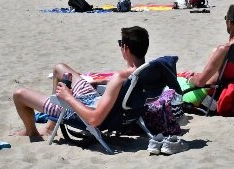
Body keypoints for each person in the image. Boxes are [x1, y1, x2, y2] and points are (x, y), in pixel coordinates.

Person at [11, 26, 150, 138]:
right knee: (59, 68)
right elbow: (126, 86)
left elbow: (95, 120)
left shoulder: (120, 77)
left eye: (121, 44)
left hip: (79, 112)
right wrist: (103, 81)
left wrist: (68, 97)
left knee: (19, 94)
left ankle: (32, 132)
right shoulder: (147, 71)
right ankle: (50, 125)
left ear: (126, 48)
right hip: (95, 101)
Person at [186, 5, 234, 88]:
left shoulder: (225, 49)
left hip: (212, 91)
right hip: (228, 86)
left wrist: (189, 78)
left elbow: (200, 83)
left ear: (229, 23)